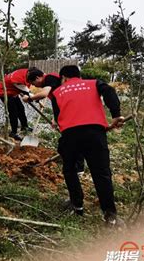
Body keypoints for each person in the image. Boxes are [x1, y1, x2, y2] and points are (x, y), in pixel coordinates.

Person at [52, 65, 125, 225]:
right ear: (79, 75)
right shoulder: (94, 83)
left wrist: (57, 122)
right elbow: (110, 92)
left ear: (63, 78)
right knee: (101, 173)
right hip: (95, 133)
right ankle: (110, 215)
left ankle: (77, 206)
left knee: (69, 170)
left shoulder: (57, 92)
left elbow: (58, 118)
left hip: (70, 135)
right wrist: (116, 114)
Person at [24, 68, 85, 176]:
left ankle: (78, 167)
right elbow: (56, 103)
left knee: (73, 137)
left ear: (38, 78)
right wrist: (55, 118)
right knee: (71, 138)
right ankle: (73, 162)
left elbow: (43, 94)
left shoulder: (49, 78)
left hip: (72, 110)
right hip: (67, 110)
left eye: (34, 83)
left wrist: (30, 98)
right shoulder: (52, 83)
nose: (35, 86)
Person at [0, 68, 35, 141]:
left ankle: (24, 126)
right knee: (13, 112)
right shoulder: (18, 78)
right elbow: (27, 92)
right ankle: (13, 132)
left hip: (12, 91)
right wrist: (37, 99)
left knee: (21, 108)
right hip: (4, 92)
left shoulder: (26, 74)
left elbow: (23, 90)